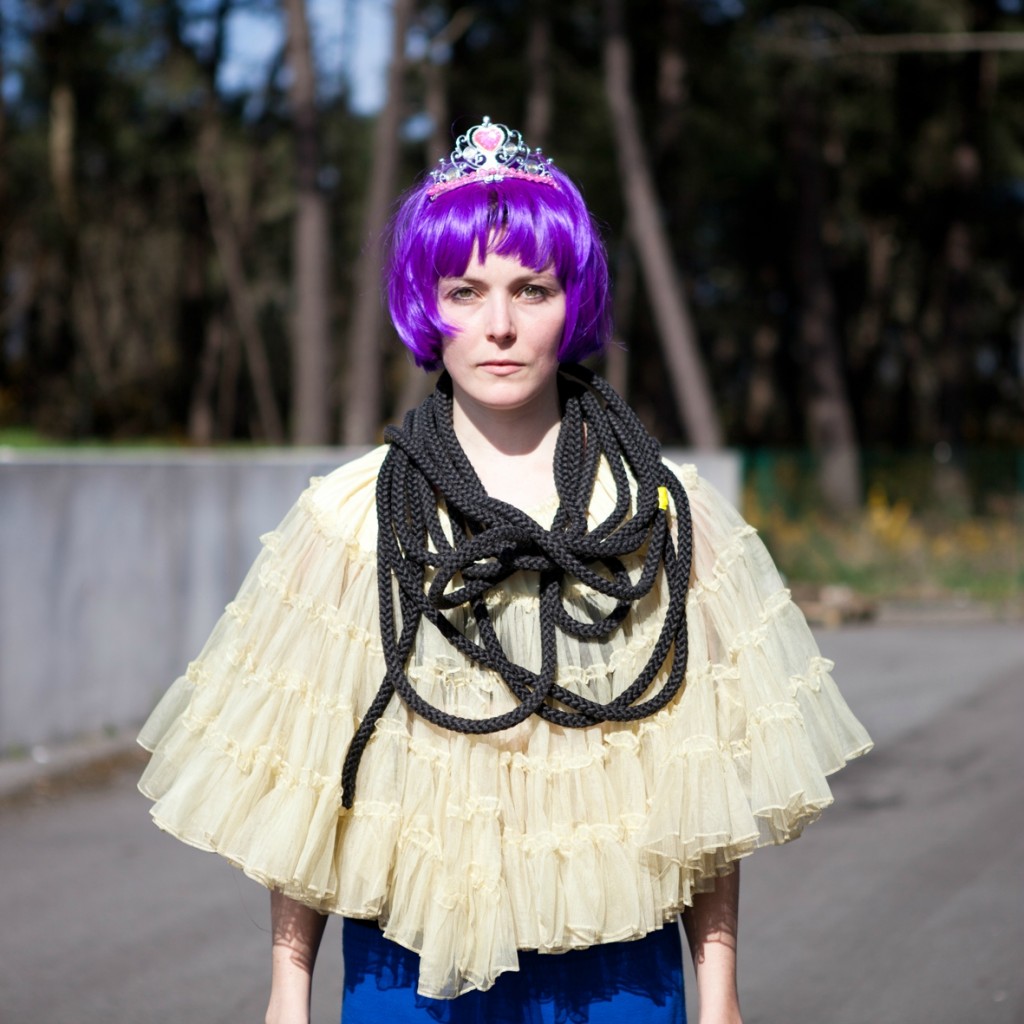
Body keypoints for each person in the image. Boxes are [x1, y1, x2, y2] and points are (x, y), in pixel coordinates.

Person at [138, 116, 872, 1024]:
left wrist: (718, 994)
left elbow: (705, 784)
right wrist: (288, 997)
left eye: (532, 289)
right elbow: (309, 781)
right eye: (464, 289)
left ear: (575, 302)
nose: (497, 326)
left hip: (621, 970)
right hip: (407, 969)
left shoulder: (660, 514)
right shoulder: (346, 521)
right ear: (424, 304)